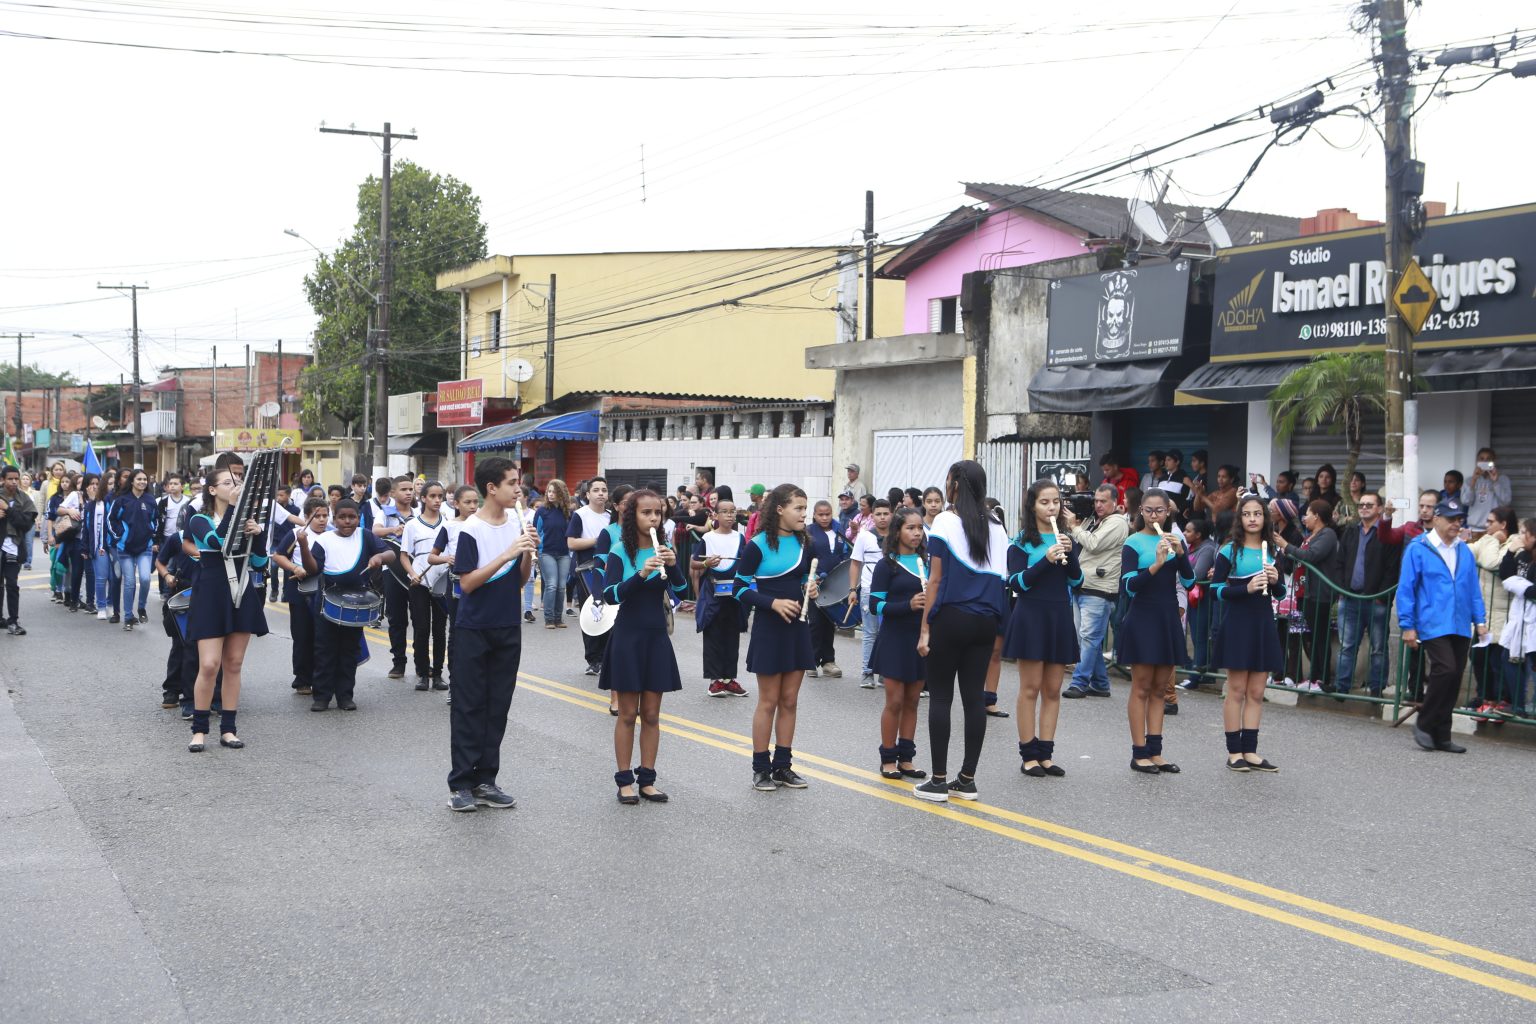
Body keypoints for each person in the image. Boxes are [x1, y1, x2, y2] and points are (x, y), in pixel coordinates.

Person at [911, 461, 1009, 803]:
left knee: (940, 696)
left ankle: (938, 781)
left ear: (953, 485)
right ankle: (967, 780)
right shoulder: (997, 526)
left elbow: (935, 580)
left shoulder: (945, 522)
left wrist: (925, 628)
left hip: (952, 617)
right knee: (973, 699)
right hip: (986, 621)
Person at [444, 458, 536, 811]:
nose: (518, 489)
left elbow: (521, 580)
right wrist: (508, 553)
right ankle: (461, 784)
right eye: (512, 483)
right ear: (491, 488)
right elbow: (467, 582)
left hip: (507, 626)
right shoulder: (471, 529)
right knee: (469, 706)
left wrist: (526, 553)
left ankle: (486, 779)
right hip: (473, 628)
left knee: (498, 706)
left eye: (519, 483)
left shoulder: (517, 522)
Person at [600, 490, 688, 804]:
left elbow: (681, 590)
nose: (653, 518)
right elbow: (609, 595)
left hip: (656, 637)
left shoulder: (663, 548)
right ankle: (624, 781)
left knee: (651, 714)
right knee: (627, 714)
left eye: (657, 513)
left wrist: (674, 565)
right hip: (628, 636)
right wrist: (642, 573)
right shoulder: (620, 550)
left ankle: (647, 779)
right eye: (646, 513)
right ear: (632, 516)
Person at [734, 483, 819, 792]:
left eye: (805, 510)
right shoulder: (757, 545)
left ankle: (783, 766)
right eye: (798, 508)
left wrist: (811, 588)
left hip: (796, 627)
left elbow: (805, 580)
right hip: (770, 629)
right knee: (768, 701)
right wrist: (772, 603)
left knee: (790, 700)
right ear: (780, 509)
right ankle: (761, 768)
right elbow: (739, 589)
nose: (803, 515)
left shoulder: (804, 543)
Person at [182, 465, 268, 753]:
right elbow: (218, 543)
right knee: (209, 665)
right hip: (211, 592)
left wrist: (259, 535)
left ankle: (229, 729)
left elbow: (258, 564)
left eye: (238, 481)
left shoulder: (246, 520)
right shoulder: (198, 519)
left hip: (241, 590)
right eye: (228, 482)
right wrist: (233, 509)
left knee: (233, 664)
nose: (235, 485)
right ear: (212, 489)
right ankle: (199, 730)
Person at [1398, 496, 1488, 753]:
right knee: (1445, 669)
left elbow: (1473, 589)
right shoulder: (1419, 547)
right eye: (1450, 519)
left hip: (1460, 622)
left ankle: (1442, 735)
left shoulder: (1463, 550)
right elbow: (1406, 589)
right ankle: (1424, 724)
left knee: (1454, 676)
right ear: (1436, 519)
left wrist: (1480, 620)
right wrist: (1407, 625)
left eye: (1459, 519)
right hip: (1432, 621)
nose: (1455, 524)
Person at [1003, 480, 1081, 778]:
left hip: (1059, 615)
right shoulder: (1021, 541)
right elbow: (1016, 583)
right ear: (1032, 506)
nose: (1051, 507)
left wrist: (1069, 553)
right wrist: (1047, 561)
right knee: (1030, 687)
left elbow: (1077, 581)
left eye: (1056, 502)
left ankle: (1046, 754)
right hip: (1031, 615)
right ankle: (1029, 754)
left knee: (1052, 689)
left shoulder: (1065, 537)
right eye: (1044, 502)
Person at [1117, 489, 1190, 774]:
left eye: (1160, 510)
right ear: (1141, 512)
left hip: (1168, 616)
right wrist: (1157, 564)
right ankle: (1139, 752)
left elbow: (1190, 581)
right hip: (1143, 617)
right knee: (1142, 686)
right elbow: (1128, 586)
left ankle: (1156, 750)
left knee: (1160, 688)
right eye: (1149, 510)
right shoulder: (1133, 543)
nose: (1154, 515)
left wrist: (1181, 555)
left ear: (1168, 511)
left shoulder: (1174, 540)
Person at [1210, 495, 1285, 771]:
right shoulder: (1229, 551)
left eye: (1258, 514)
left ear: (1265, 518)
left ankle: (1251, 751)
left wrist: (1276, 581)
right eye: (1247, 514)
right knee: (1237, 690)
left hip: (1264, 623)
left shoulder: (1272, 552)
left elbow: (1281, 592)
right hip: (1238, 623)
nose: (1253, 518)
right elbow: (1215, 590)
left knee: (1256, 691)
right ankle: (1234, 752)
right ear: (1239, 519)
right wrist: (1246, 588)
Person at [868, 508, 929, 781]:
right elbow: (874, 605)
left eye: (919, 528)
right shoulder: (887, 565)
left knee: (913, 701)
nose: (916, 533)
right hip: (895, 638)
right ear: (898, 532)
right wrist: (908, 604)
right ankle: (888, 759)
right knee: (894, 701)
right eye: (910, 528)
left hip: (921, 638)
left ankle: (907, 758)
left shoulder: (928, 562)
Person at [1334, 490, 1402, 697]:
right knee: (1347, 646)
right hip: (1350, 598)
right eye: (1361, 504)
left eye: (1369, 505)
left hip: (1376, 602)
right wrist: (1342, 591)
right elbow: (1340, 562)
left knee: (1378, 648)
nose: (1364, 508)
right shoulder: (1351, 531)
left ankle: (1376, 689)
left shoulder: (1387, 535)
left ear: (1380, 509)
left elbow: (1393, 570)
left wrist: (1382, 598)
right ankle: (1341, 687)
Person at [1064, 484, 1128, 699]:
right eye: (1096, 501)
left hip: (1100, 588)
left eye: (1103, 501)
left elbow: (1093, 544)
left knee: (1090, 638)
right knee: (1086, 639)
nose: (1098, 505)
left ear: (1115, 503)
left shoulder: (1118, 522)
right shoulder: (1092, 520)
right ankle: (1100, 683)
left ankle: (1079, 683)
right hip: (1082, 585)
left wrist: (1074, 527)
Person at [1273, 500, 1342, 693]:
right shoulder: (1312, 535)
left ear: (1317, 517)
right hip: (1306, 592)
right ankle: (1313, 677)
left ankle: (1322, 679)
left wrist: (1285, 545)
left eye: (1308, 514)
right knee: (1309, 636)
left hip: (1321, 593)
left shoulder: (1327, 534)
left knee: (1320, 637)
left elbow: (1311, 556)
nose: (1305, 518)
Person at [270, 496, 327, 697]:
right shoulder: (296, 533)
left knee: (323, 637)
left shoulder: (332, 536)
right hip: (301, 592)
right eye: (316, 516)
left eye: (325, 516)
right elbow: (278, 555)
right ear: (306, 516)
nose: (321, 520)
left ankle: (323, 678)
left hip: (325, 592)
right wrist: (295, 567)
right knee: (303, 635)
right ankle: (302, 679)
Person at [694, 496, 749, 697]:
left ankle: (729, 679)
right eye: (725, 511)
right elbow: (693, 563)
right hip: (713, 594)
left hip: (734, 595)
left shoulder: (740, 538)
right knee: (713, 636)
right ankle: (714, 681)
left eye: (733, 511)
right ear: (715, 515)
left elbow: (746, 564)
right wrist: (706, 564)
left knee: (731, 637)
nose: (730, 515)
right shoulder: (708, 538)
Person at [1468, 506, 1521, 714]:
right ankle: (1485, 697)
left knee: (1497, 661)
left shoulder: (1515, 543)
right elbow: (1468, 552)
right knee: (1478, 657)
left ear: (1503, 524)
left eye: (1490, 522)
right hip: (1484, 614)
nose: (1486, 525)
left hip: (1502, 613)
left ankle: (1501, 700)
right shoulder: (1488, 539)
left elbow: (1491, 562)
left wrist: (1490, 540)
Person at [402, 482, 450, 691]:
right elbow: (404, 555)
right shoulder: (412, 525)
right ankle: (422, 672)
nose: (437, 500)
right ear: (423, 498)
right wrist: (412, 574)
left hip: (441, 581)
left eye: (440, 496)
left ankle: (438, 673)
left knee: (440, 630)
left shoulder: (448, 523)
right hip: (419, 582)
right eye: (432, 496)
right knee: (421, 629)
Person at [567, 476, 613, 677]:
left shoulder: (611, 515)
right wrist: (598, 541)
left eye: (604, 489)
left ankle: (608, 656)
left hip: (610, 569)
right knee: (592, 612)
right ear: (587, 494)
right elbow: (571, 543)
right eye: (596, 490)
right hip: (587, 570)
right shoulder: (580, 515)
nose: (601, 493)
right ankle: (593, 659)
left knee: (610, 612)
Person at [848, 497, 893, 687]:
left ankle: (885, 671)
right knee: (870, 632)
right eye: (878, 514)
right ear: (872, 516)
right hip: (868, 589)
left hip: (893, 590)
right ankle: (867, 672)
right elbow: (855, 564)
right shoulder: (865, 536)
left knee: (889, 632)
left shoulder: (898, 535)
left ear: (892, 514)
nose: (882, 518)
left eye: (886, 514)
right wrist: (852, 589)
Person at [108, 469, 159, 630]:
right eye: (139, 479)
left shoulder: (150, 500)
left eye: (145, 479)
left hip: (145, 547)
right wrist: (120, 536)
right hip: (125, 549)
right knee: (129, 583)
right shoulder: (122, 500)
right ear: (132, 481)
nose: (143, 482)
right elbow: (111, 520)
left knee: (145, 579)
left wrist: (152, 535)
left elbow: (156, 520)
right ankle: (128, 617)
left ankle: (141, 608)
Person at [377, 475, 417, 680]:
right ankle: (398, 662)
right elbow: (374, 531)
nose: (408, 493)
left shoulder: (418, 514)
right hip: (392, 571)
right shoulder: (385, 513)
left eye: (411, 489)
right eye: (403, 489)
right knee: (397, 619)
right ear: (393, 493)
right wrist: (393, 529)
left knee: (420, 619)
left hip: (416, 571)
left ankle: (422, 664)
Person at [804, 498, 848, 679]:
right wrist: (811, 578)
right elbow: (805, 558)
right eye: (820, 514)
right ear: (814, 515)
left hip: (835, 583)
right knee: (815, 622)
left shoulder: (839, 529)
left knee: (830, 622)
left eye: (827, 514)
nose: (824, 518)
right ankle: (811, 661)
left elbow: (845, 553)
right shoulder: (808, 532)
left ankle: (829, 661)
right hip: (816, 583)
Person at [1498, 519, 1536, 717]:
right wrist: (1510, 551)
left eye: (1524, 533)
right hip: (1519, 618)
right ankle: (1519, 706)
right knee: (1508, 657)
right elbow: (1505, 575)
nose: (1521, 537)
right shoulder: (1523, 555)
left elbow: (1532, 591)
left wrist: (1516, 584)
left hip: (1532, 620)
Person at [1177, 518, 1219, 692]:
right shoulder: (1191, 547)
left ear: (1199, 534)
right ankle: (1204, 672)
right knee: (1196, 637)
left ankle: (1195, 677)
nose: (1185, 534)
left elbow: (1198, 573)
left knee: (1200, 638)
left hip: (1203, 599)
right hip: (1192, 598)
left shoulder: (1207, 549)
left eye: (1188, 531)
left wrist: (1182, 573)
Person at [0, 465, 38, 636]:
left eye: (16, 478)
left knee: (12, 584)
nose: (14, 482)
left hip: (14, 548)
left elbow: (26, 523)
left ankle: (13, 620)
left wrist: (7, 509)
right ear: (3, 480)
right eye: (10, 479)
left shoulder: (24, 499)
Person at [534, 479, 573, 629]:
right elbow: (535, 533)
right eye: (549, 491)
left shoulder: (568, 512)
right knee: (551, 585)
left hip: (564, 553)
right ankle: (549, 619)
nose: (550, 494)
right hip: (546, 552)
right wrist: (535, 551)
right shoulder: (541, 511)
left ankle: (558, 618)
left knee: (561, 586)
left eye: (554, 491)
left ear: (561, 493)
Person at [1466, 447, 1513, 538]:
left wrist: (1495, 482)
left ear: (1494, 461)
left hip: (1493, 530)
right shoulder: (1469, 480)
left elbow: (1506, 502)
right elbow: (1466, 501)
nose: (1485, 462)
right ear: (1477, 461)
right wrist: (1473, 481)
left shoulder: (1503, 479)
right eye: (1482, 459)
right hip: (1472, 529)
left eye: (1488, 459)